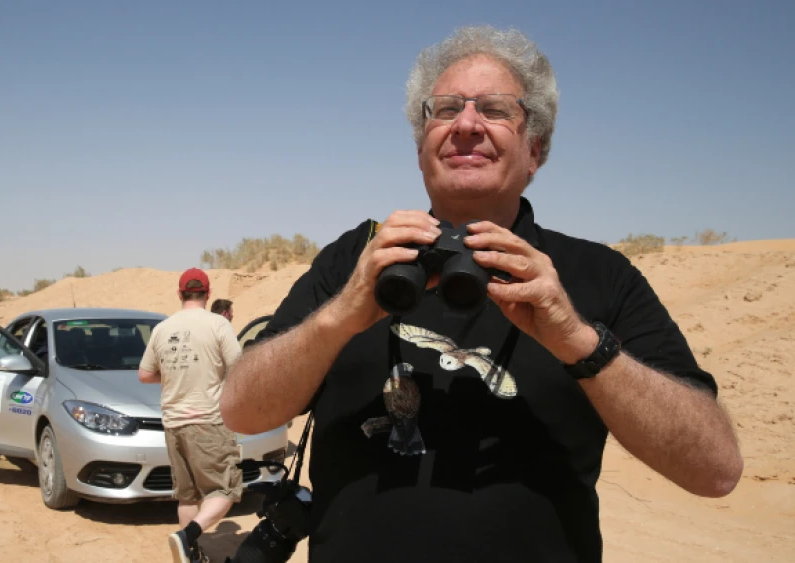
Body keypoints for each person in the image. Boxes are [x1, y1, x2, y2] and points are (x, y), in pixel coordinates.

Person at [220, 25, 743, 563]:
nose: (466, 124)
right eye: (444, 109)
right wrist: (340, 318)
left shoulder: (599, 276)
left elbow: (716, 470)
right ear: (421, 145)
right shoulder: (356, 257)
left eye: (495, 109)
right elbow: (241, 410)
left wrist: (579, 341)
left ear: (535, 150)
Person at [139, 268, 243, 563]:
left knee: (188, 496)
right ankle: (188, 536)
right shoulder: (217, 325)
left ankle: (190, 554)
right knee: (225, 490)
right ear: (208, 294)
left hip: (173, 425)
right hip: (208, 422)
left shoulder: (162, 328)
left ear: (180, 294)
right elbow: (238, 367)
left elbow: (145, 374)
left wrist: (174, 373)